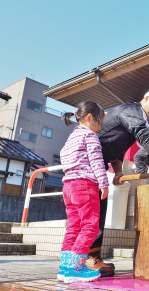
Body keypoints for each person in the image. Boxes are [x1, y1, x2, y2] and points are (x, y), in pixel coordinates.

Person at [86, 89, 149, 277]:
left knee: (98, 211)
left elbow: (113, 145)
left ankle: (92, 257)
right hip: (86, 165)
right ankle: (83, 260)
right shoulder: (133, 111)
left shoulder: (134, 115)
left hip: (97, 166)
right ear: (145, 98)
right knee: (91, 213)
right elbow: (147, 138)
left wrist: (118, 170)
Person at [58, 101, 108, 284]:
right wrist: (104, 183)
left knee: (74, 226)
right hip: (85, 186)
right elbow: (96, 161)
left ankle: (64, 268)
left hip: (68, 186)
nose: (100, 127)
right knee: (90, 226)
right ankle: (77, 268)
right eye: (99, 123)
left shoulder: (71, 137)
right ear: (89, 118)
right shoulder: (90, 136)